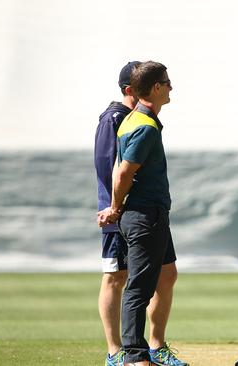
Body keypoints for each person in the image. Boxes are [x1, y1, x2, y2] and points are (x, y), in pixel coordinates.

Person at [97, 61, 188, 366]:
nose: (171, 86)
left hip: (140, 215)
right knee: (138, 288)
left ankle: (139, 353)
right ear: (156, 88)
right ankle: (136, 357)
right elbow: (122, 173)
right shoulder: (145, 126)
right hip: (145, 216)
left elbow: (118, 170)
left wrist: (116, 207)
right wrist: (114, 206)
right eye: (166, 81)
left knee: (143, 283)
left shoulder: (133, 119)